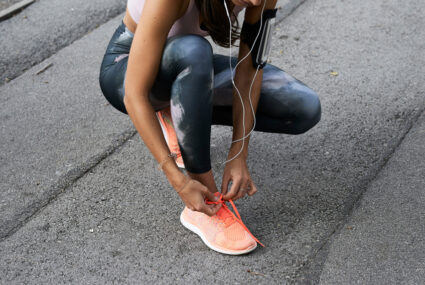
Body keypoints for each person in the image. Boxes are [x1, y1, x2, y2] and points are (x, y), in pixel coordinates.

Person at [99, 0, 321, 255]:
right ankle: (206, 205)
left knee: (303, 107)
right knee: (194, 50)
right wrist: (180, 182)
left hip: (188, 67)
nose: (257, 2)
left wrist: (239, 152)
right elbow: (133, 94)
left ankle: (178, 111)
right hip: (126, 69)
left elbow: (250, 70)